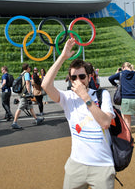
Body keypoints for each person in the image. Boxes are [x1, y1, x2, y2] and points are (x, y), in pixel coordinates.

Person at [42, 38, 115, 189]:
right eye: (73, 77)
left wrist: (86, 98)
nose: (78, 80)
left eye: (82, 76)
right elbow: (46, 85)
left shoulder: (102, 95)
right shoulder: (67, 97)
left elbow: (105, 123)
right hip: (76, 165)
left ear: (89, 77)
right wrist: (62, 57)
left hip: (102, 166)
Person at [12, 63, 44, 129]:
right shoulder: (26, 74)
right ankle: (14, 122)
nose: (30, 68)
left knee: (30, 106)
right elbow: (27, 83)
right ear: (27, 68)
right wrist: (29, 92)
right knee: (20, 107)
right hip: (25, 94)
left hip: (22, 93)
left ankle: (36, 119)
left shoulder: (22, 74)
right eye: (29, 67)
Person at [109, 61, 135, 131]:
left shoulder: (121, 74)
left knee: (127, 121)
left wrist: (116, 85)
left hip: (126, 99)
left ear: (123, 67)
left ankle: (129, 140)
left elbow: (110, 78)